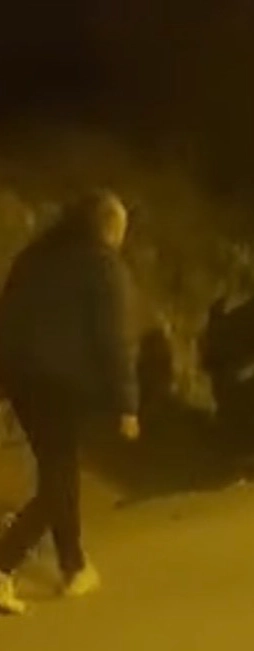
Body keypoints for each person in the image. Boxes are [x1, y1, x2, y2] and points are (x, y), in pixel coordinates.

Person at [0, 190, 140, 615]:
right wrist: (127, 404)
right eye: (121, 228)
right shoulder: (102, 266)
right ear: (109, 228)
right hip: (60, 385)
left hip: (20, 380)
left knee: (58, 473)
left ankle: (73, 564)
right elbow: (113, 341)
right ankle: (4, 563)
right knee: (58, 483)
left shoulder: (36, 258)